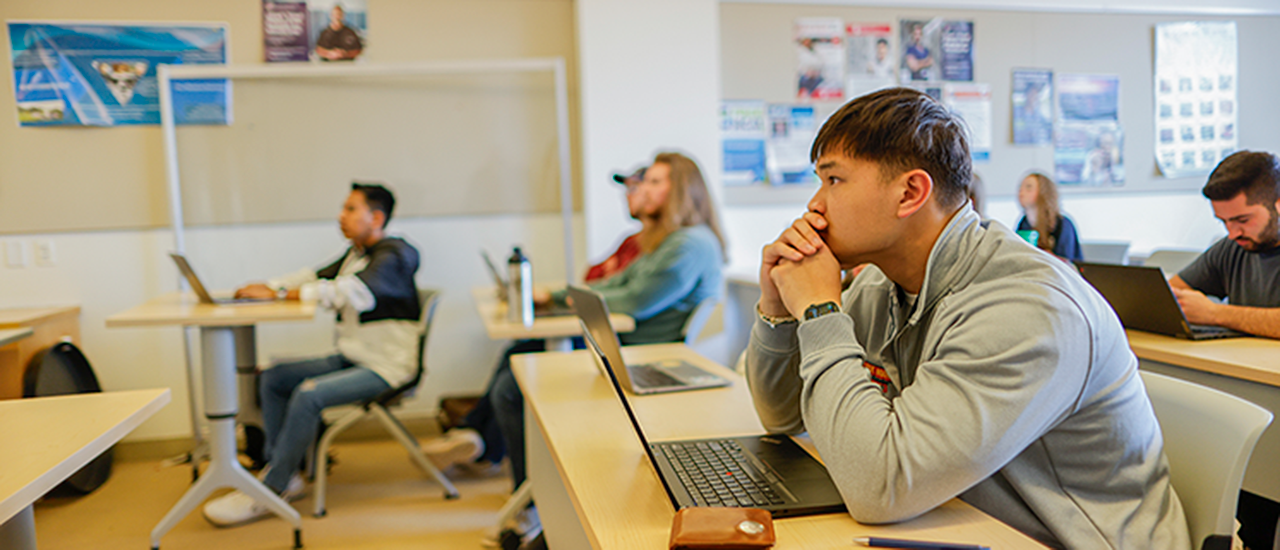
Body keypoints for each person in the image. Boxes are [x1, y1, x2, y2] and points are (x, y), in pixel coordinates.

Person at [745, 87, 1188, 549]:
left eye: (833, 181)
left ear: (911, 192)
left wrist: (820, 312)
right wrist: (779, 310)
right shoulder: (882, 284)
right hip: (961, 521)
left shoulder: (1028, 308)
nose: (815, 205)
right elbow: (782, 415)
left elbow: (880, 487)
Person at [425, 152, 726, 539]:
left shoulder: (690, 245)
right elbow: (615, 286)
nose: (642, 189)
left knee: (513, 386)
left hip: (645, 356)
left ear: (682, 189)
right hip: (627, 345)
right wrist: (560, 295)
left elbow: (635, 300)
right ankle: (518, 478)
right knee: (518, 357)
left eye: (653, 182)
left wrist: (561, 298)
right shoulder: (666, 241)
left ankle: (530, 497)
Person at [203, 183, 421, 527]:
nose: (341, 216)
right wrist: (268, 287)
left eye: (351, 209)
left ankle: (271, 489)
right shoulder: (356, 253)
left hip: (385, 368)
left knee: (308, 394)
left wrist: (279, 292)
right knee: (274, 378)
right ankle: (284, 472)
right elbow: (314, 276)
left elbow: (351, 292)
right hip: (353, 356)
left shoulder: (396, 254)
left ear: (376, 217)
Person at [1170, 150, 1280, 339]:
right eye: (1224, 221)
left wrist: (1214, 314)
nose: (1232, 233)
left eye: (1243, 220)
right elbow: (1171, 293)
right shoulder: (1233, 247)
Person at [1016, 172, 1083, 261]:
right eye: (1020, 187)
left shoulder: (1062, 224)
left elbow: (1066, 261)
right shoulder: (1024, 223)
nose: (1021, 192)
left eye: (1028, 187)